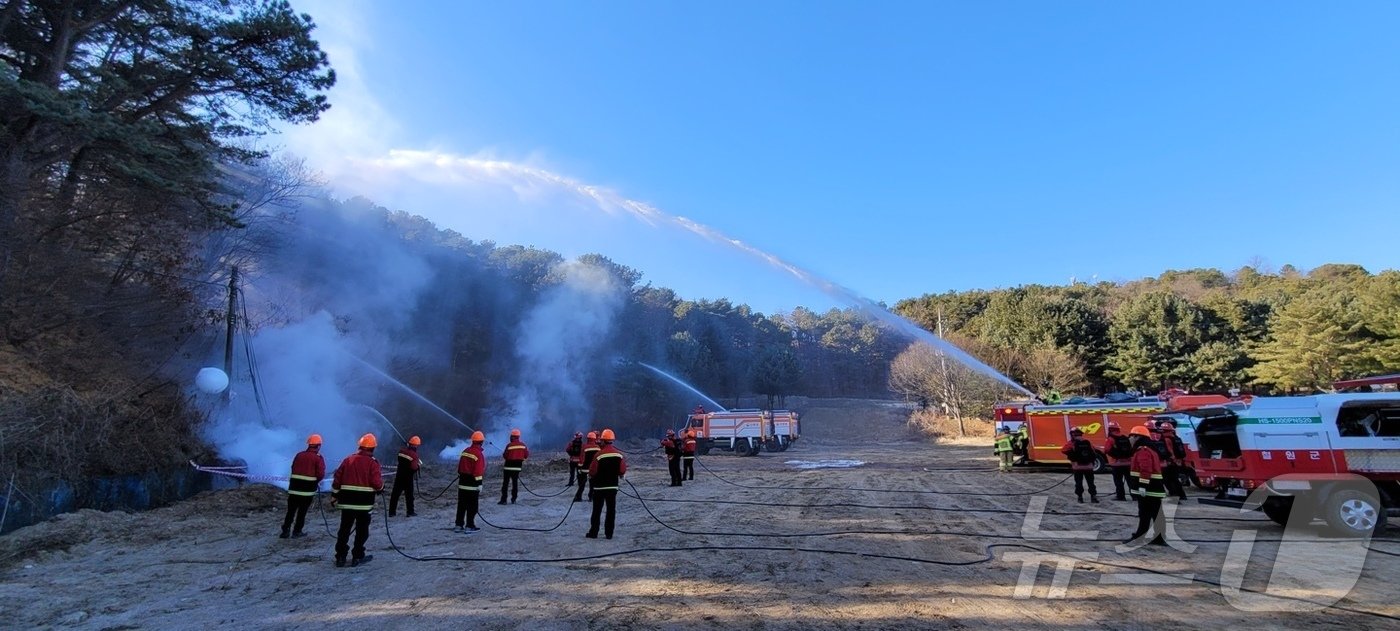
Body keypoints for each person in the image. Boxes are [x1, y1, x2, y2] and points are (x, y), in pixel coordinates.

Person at [331, 433, 384, 567]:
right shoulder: (373, 463)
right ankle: (357, 556)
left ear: (359, 446)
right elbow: (376, 483)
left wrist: (335, 495)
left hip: (346, 502)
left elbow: (337, 479)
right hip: (364, 504)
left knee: (344, 530)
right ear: (373, 448)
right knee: (362, 531)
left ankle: (340, 558)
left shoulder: (348, 460)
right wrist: (382, 487)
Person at [1126, 425, 1167, 546]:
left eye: (1131, 436)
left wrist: (1142, 486)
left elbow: (1145, 469)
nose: (1130, 439)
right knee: (1154, 513)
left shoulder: (1143, 450)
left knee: (1146, 513)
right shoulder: (1149, 449)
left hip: (1149, 488)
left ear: (1137, 437)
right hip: (1153, 487)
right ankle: (1157, 537)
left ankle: (1142, 536)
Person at [281, 433, 325, 539]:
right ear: (318, 446)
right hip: (307, 490)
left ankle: (285, 531)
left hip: (294, 488)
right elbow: (320, 474)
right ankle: (297, 531)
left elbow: (293, 467)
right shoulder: (317, 458)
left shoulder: (299, 455)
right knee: (302, 511)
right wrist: (316, 481)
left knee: (291, 511)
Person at [586, 429, 627, 539]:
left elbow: (592, 471)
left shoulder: (599, 455)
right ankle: (609, 533)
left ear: (603, 441)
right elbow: (622, 470)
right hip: (612, 487)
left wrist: (590, 475)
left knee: (597, 510)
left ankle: (593, 532)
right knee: (611, 510)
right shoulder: (619, 455)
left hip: (599, 487)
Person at [456, 431, 486, 532]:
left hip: (462, 483)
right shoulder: (479, 454)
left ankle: (458, 525)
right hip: (472, 485)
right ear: (481, 442)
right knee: (472, 506)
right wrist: (479, 484)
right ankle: (469, 526)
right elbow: (478, 471)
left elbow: (460, 468)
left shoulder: (465, 451)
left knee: (461, 505)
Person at [1059, 427, 1099, 503]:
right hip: (1089, 467)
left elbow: (1063, 450)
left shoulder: (1071, 443)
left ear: (1073, 434)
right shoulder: (1087, 442)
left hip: (1077, 467)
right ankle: (1093, 497)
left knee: (1078, 482)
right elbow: (1093, 452)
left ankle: (1080, 498)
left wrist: (1071, 454)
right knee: (1091, 482)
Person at [389, 435, 421, 517]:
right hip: (408, 477)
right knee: (409, 496)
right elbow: (414, 467)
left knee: (395, 495)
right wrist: (418, 466)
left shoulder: (401, 451)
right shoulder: (414, 455)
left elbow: (401, 459)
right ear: (416, 445)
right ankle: (410, 512)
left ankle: (391, 512)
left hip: (399, 476)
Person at [1158, 421, 1189, 500]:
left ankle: (1174, 493)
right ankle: (1182, 495)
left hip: (1171, 463)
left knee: (1167, 479)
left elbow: (1170, 451)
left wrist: (1171, 460)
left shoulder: (1166, 439)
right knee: (1175, 479)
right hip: (1178, 462)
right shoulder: (1176, 438)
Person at [499, 428, 530, 505]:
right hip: (517, 468)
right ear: (518, 437)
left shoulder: (509, 445)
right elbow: (526, 456)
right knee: (515, 484)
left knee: (505, 484)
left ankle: (504, 500)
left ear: (512, 437)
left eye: (511, 436)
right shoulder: (523, 445)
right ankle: (514, 499)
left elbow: (505, 456)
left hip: (508, 468)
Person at [1103, 423, 1133, 501]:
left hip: (1117, 464)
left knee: (1118, 481)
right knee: (1130, 480)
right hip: (1128, 463)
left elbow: (1106, 450)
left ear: (1110, 429)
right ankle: (1134, 496)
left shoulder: (1111, 439)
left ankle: (1121, 496)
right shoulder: (1125, 437)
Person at [574, 431, 600, 503]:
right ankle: (591, 497)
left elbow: (582, 459)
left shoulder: (584, 447)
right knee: (592, 485)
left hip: (584, 470)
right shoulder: (598, 448)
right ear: (594, 439)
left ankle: (579, 497)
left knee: (581, 485)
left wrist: (579, 468)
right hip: (593, 470)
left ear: (588, 439)